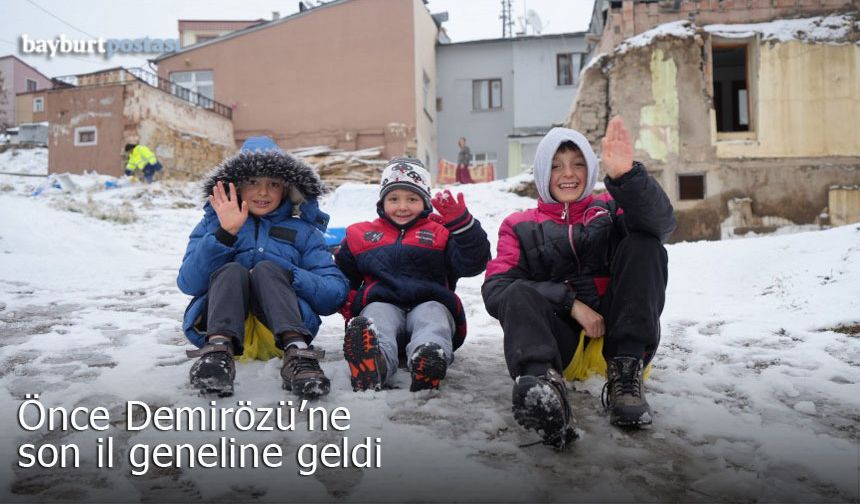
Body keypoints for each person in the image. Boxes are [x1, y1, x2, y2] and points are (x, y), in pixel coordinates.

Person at [482, 117, 675, 448]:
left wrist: (626, 177)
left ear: (590, 170)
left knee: (645, 244)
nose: (567, 174)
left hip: (618, 344)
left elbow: (662, 225)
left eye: (577, 164)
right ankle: (544, 390)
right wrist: (569, 303)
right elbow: (496, 289)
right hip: (560, 350)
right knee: (516, 290)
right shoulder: (519, 226)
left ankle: (625, 383)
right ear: (543, 173)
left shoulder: (612, 211)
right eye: (556, 166)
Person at [177, 136, 348, 398]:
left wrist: (290, 275)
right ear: (235, 186)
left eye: (273, 183)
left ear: (287, 189)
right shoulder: (213, 226)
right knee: (232, 270)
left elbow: (333, 294)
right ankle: (217, 356)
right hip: (228, 331)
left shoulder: (304, 232)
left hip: (281, 332)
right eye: (253, 182)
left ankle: (299, 354)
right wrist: (225, 233)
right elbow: (189, 283)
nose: (263, 192)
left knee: (269, 269)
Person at [335, 158, 491, 392]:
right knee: (376, 316)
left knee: (433, 316)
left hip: (430, 301)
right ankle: (374, 364)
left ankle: (428, 357)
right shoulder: (362, 234)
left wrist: (464, 227)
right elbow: (343, 274)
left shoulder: (441, 233)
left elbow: (473, 264)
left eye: (412, 199)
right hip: (383, 302)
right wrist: (346, 298)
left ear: (425, 201)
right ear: (382, 201)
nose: (402, 207)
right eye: (393, 199)